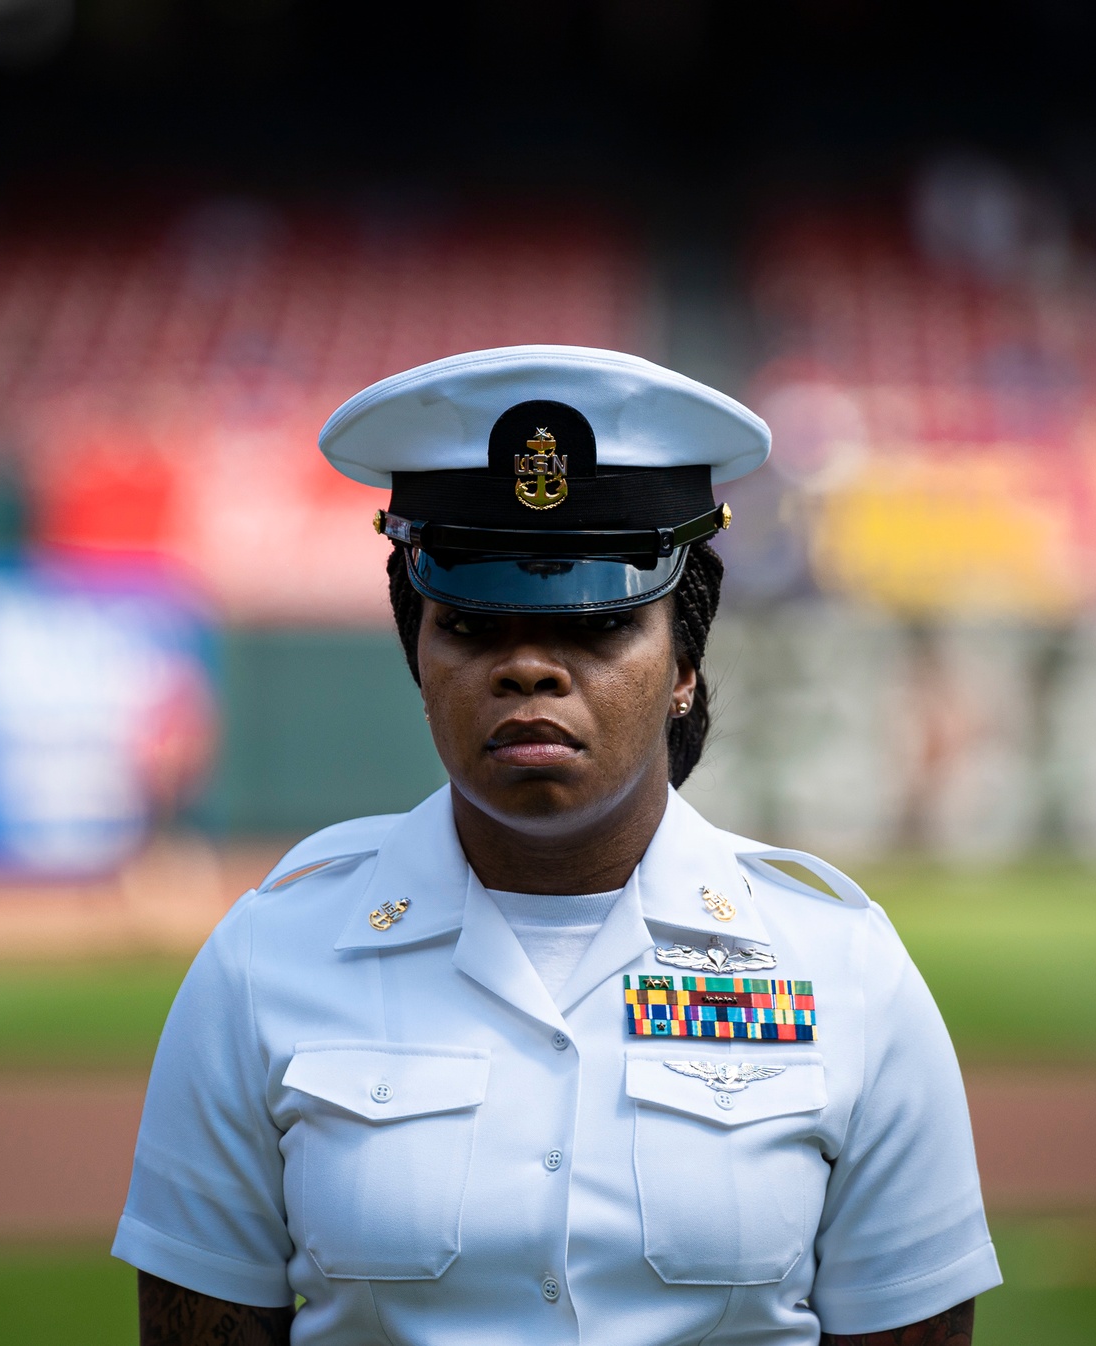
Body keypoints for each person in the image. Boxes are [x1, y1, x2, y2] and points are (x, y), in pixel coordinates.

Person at [114, 345, 1000, 1345]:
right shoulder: (264, 959)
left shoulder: (843, 965)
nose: (528, 664)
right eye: (473, 622)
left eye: (597, 622)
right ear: (417, 650)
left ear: (683, 663)